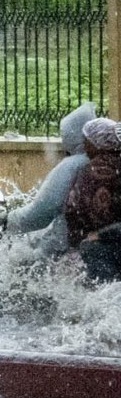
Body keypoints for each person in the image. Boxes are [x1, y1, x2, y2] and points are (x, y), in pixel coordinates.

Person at [2, 101, 96, 253]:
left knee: (26, 262)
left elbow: (41, 212)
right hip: (101, 239)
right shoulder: (108, 161)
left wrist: (8, 219)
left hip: (68, 244)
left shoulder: (71, 165)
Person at [64, 117, 121, 281]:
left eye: (86, 140)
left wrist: (100, 234)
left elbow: (74, 209)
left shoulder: (90, 171)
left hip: (96, 247)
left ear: (98, 142)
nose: (84, 145)